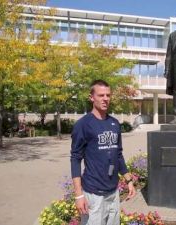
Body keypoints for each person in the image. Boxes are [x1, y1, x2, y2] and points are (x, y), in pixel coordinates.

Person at [70, 79, 136, 225]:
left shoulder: (114, 123)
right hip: (94, 193)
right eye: (101, 95)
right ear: (91, 97)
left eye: (108, 95)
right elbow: (75, 159)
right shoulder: (83, 125)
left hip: (113, 192)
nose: (105, 98)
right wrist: (78, 195)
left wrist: (129, 180)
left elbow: (118, 154)